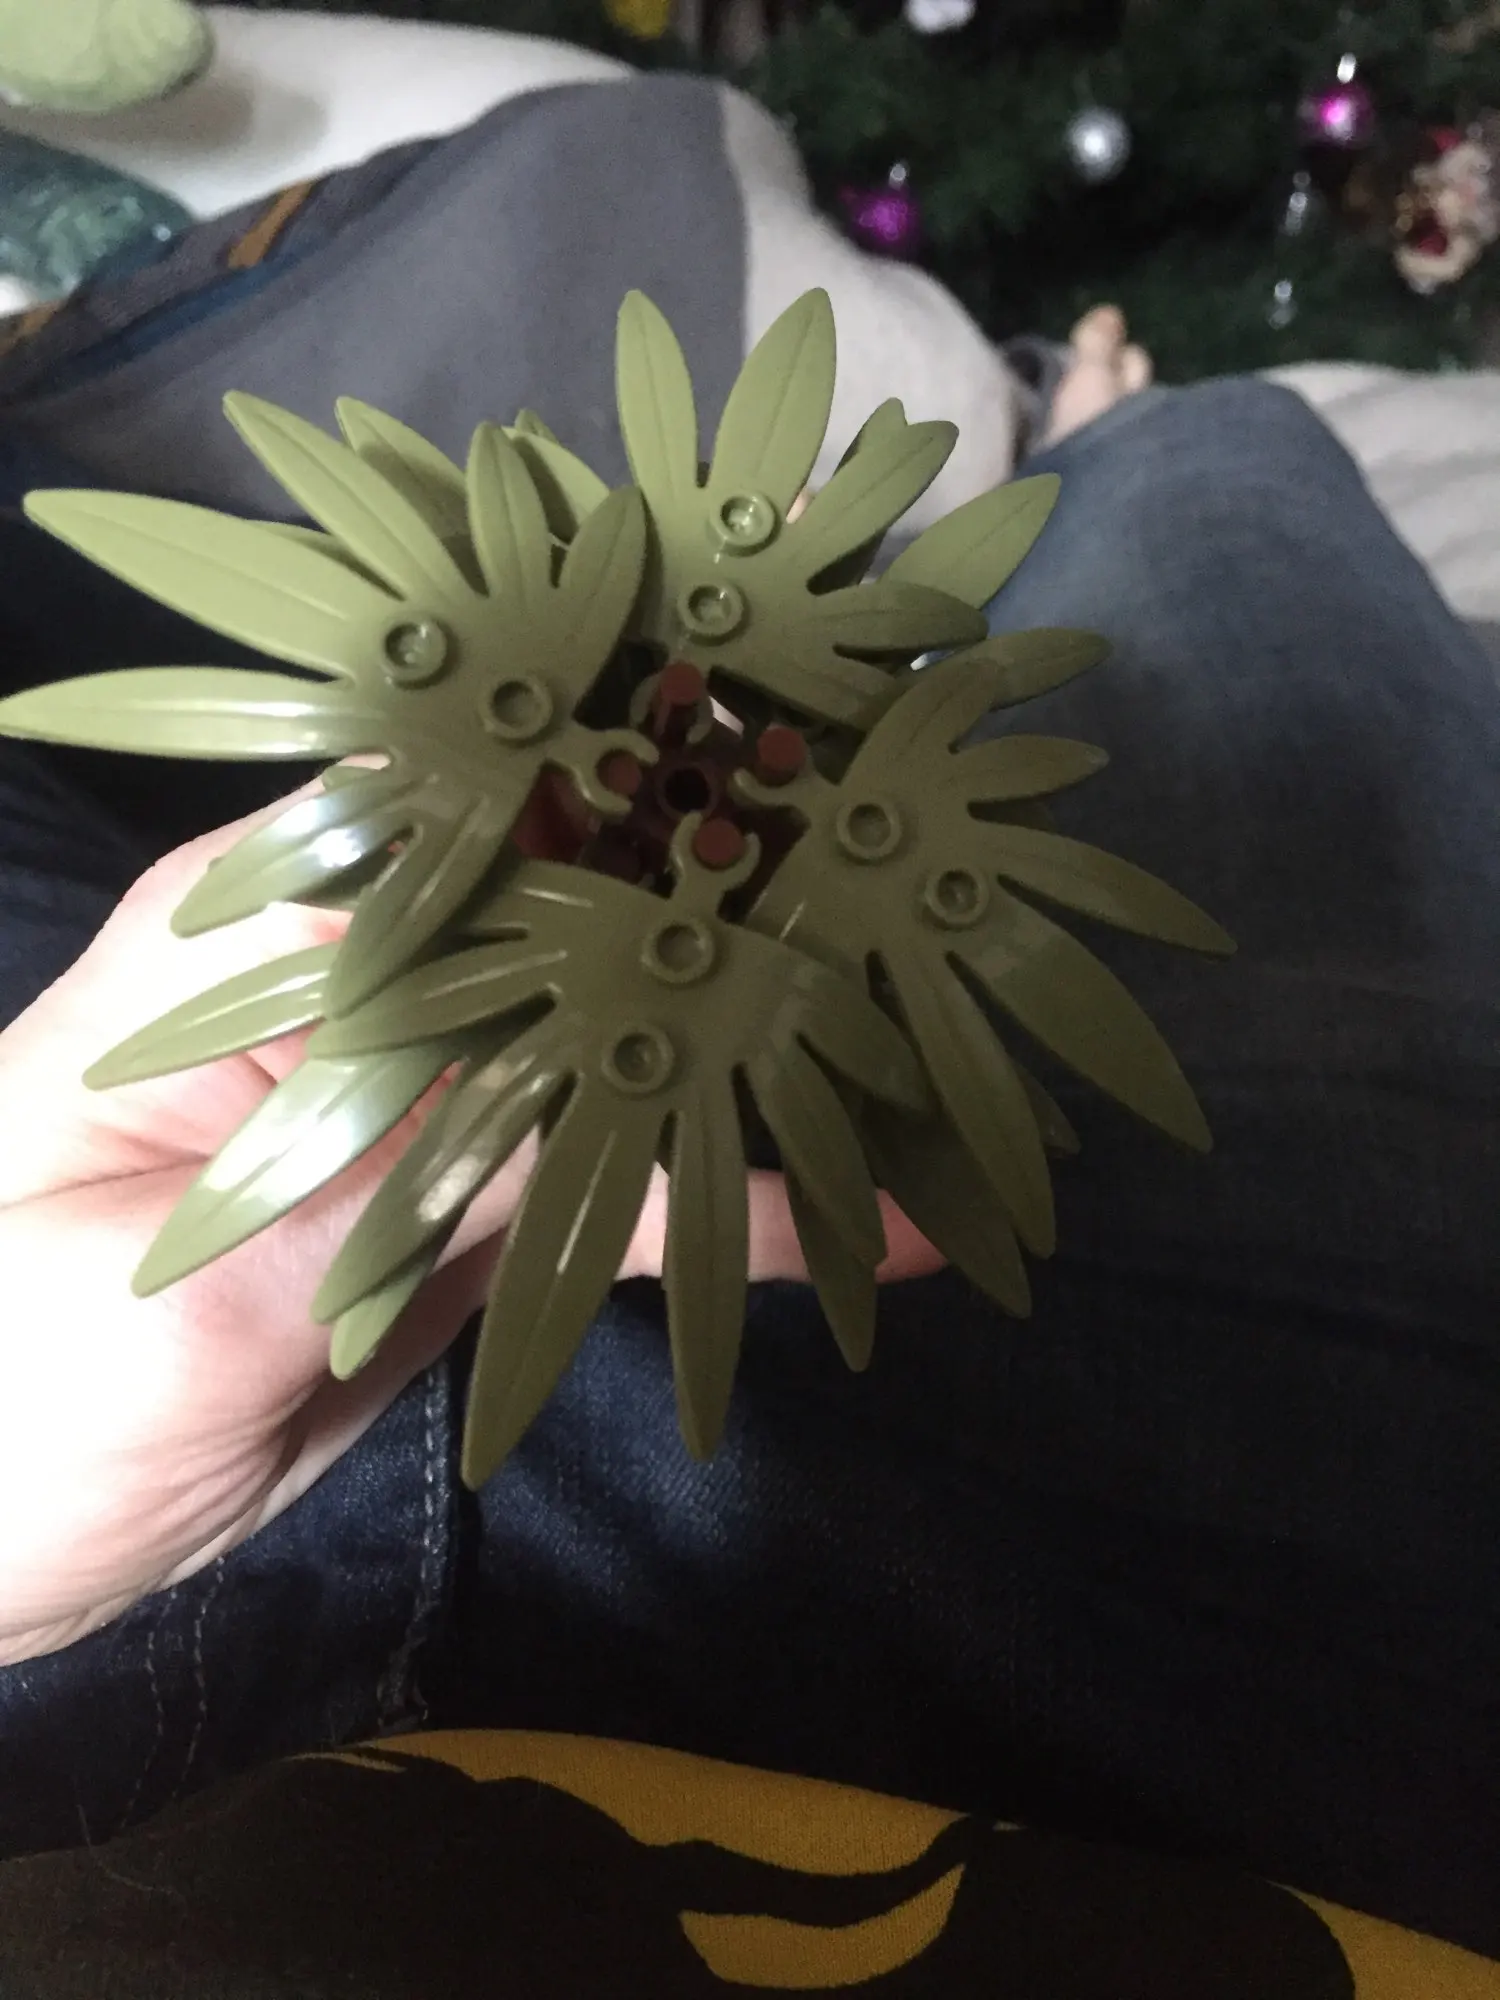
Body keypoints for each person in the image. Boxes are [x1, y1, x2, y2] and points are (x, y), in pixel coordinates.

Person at [0, 232, 1497, 1998]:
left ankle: (963, 552)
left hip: (166, 1599)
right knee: (1225, 482)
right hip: (1225, 1649)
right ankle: (1066, 464)